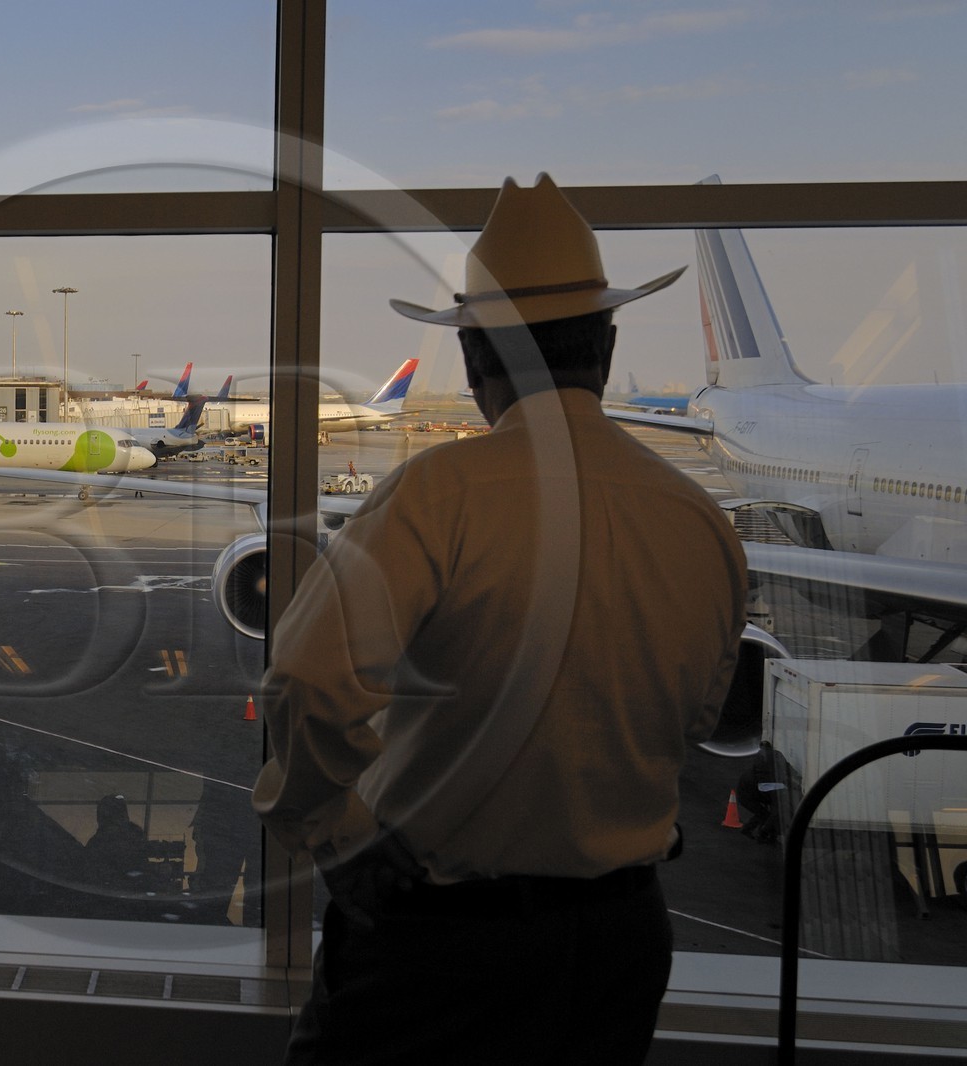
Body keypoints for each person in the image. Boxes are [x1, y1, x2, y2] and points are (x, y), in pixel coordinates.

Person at [253, 173, 748, 1064]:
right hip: (617, 943)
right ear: (605, 343)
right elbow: (699, 717)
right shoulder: (698, 518)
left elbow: (305, 680)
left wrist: (339, 837)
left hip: (444, 944)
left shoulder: (440, 493)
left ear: (478, 356)